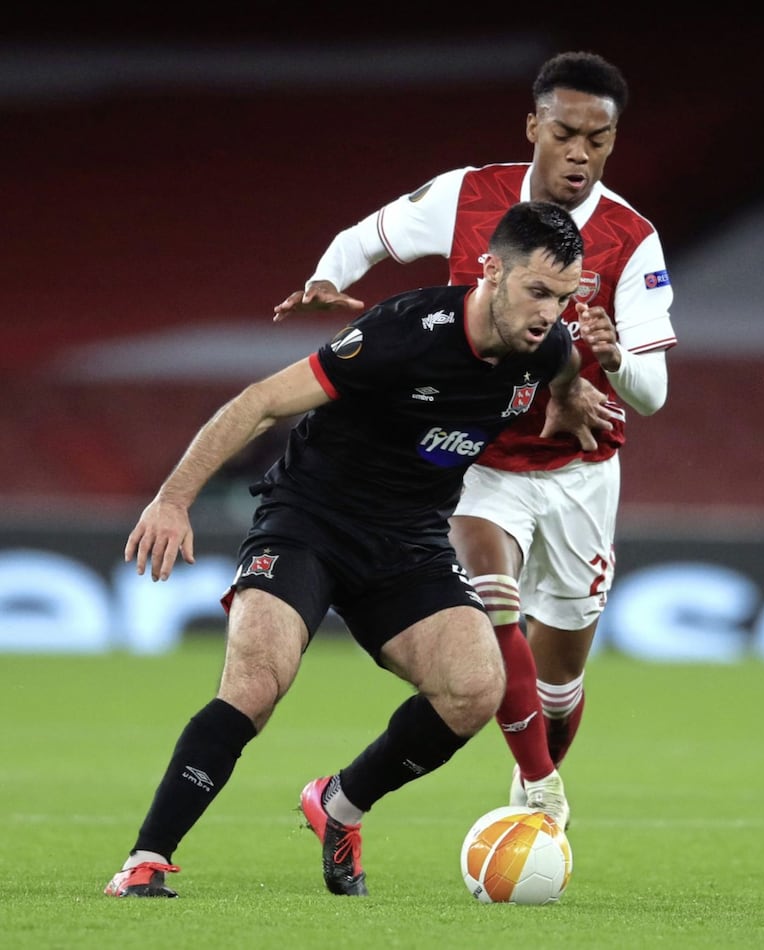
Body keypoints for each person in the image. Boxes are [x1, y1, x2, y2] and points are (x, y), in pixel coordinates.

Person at [104, 201, 613, 900]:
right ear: (491, 272)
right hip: (309, 522)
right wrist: (172, 498)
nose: (549, 312)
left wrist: (572, 396)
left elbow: (560, 371)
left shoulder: (546, 349)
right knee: (255, 686)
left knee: (475, 689)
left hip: (407, 544)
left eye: (562, 297)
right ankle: (147, 858)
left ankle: (338, 806)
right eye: (536, 291)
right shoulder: (403, 333)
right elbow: (259, 401)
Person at [273, 51, 677, 815]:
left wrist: (618, 358)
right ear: (534, 126)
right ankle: (540, 792)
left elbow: (652, 395)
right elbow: (365, 238)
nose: (581, 153)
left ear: (614, 141)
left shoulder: (633, 238)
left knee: (558, 694)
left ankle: (528, 793)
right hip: (477, 458)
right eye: (566, 133)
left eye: (599, 138)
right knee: (494, 615)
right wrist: (329, 278)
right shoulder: (467, 195)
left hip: (580, 471)